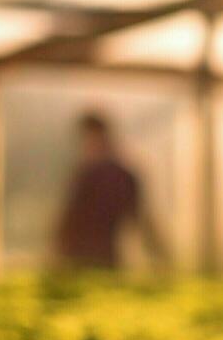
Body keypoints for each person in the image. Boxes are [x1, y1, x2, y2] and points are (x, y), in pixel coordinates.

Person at [51, 111, 165, 271]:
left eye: (90, 136)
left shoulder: (110, 175)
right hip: (89, 256)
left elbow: (140, 219)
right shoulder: (93, 173)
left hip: (95, 256)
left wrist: (159, 255)